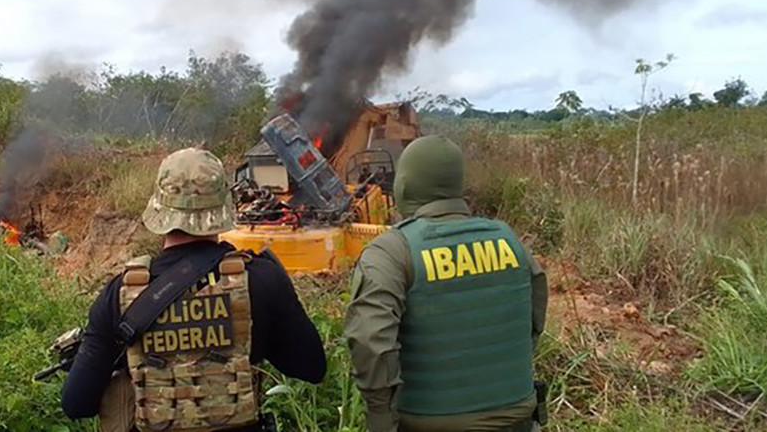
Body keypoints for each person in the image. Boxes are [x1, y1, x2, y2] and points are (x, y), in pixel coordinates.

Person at [62, 147, 327, 431]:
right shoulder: (261, 280)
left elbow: (76, 403)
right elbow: (310, 367)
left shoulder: (121, 294)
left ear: (159, 209)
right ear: (223, 207)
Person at [344, 135, 548, 432]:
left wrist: (380, 421)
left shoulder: (391, 251)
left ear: (403, 186)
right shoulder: (510, 241)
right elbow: (532, 319)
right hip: (519, 423)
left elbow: (370, 343)